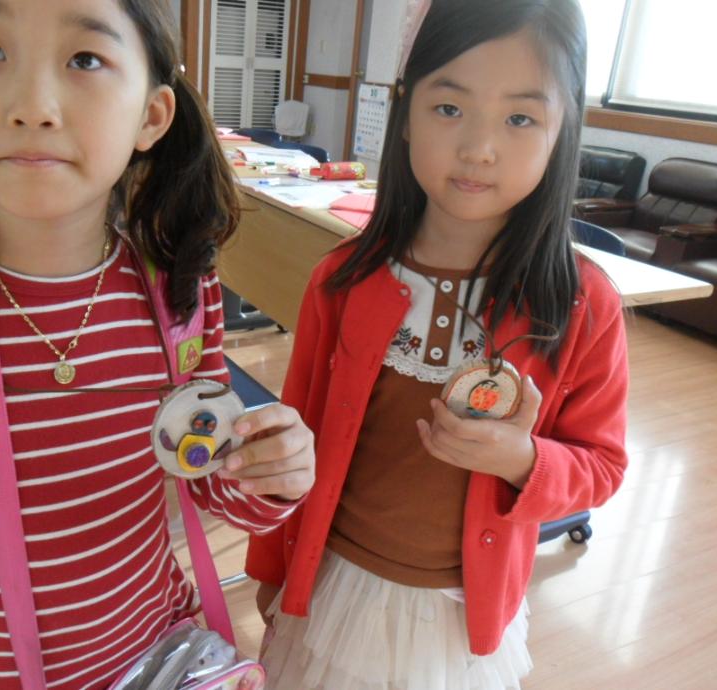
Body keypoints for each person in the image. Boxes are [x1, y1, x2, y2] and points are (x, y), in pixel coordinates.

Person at [0, 1, 315, 687]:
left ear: (151, 116)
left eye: (85, 58)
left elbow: (207, 474)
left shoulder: (178, 290)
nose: (33, 106)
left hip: (153, 659)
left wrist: (273, 475)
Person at [246, 1, 629, 688]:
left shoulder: (582, 303)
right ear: (405, 113)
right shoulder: (343, 278)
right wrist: (272, 570)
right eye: (449, 108)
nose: (479, 148)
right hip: (334, 588)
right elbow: (294, 439)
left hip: (461, 620)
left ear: (563, 129)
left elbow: (602, 465)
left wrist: (523, 460)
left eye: (520, 118)